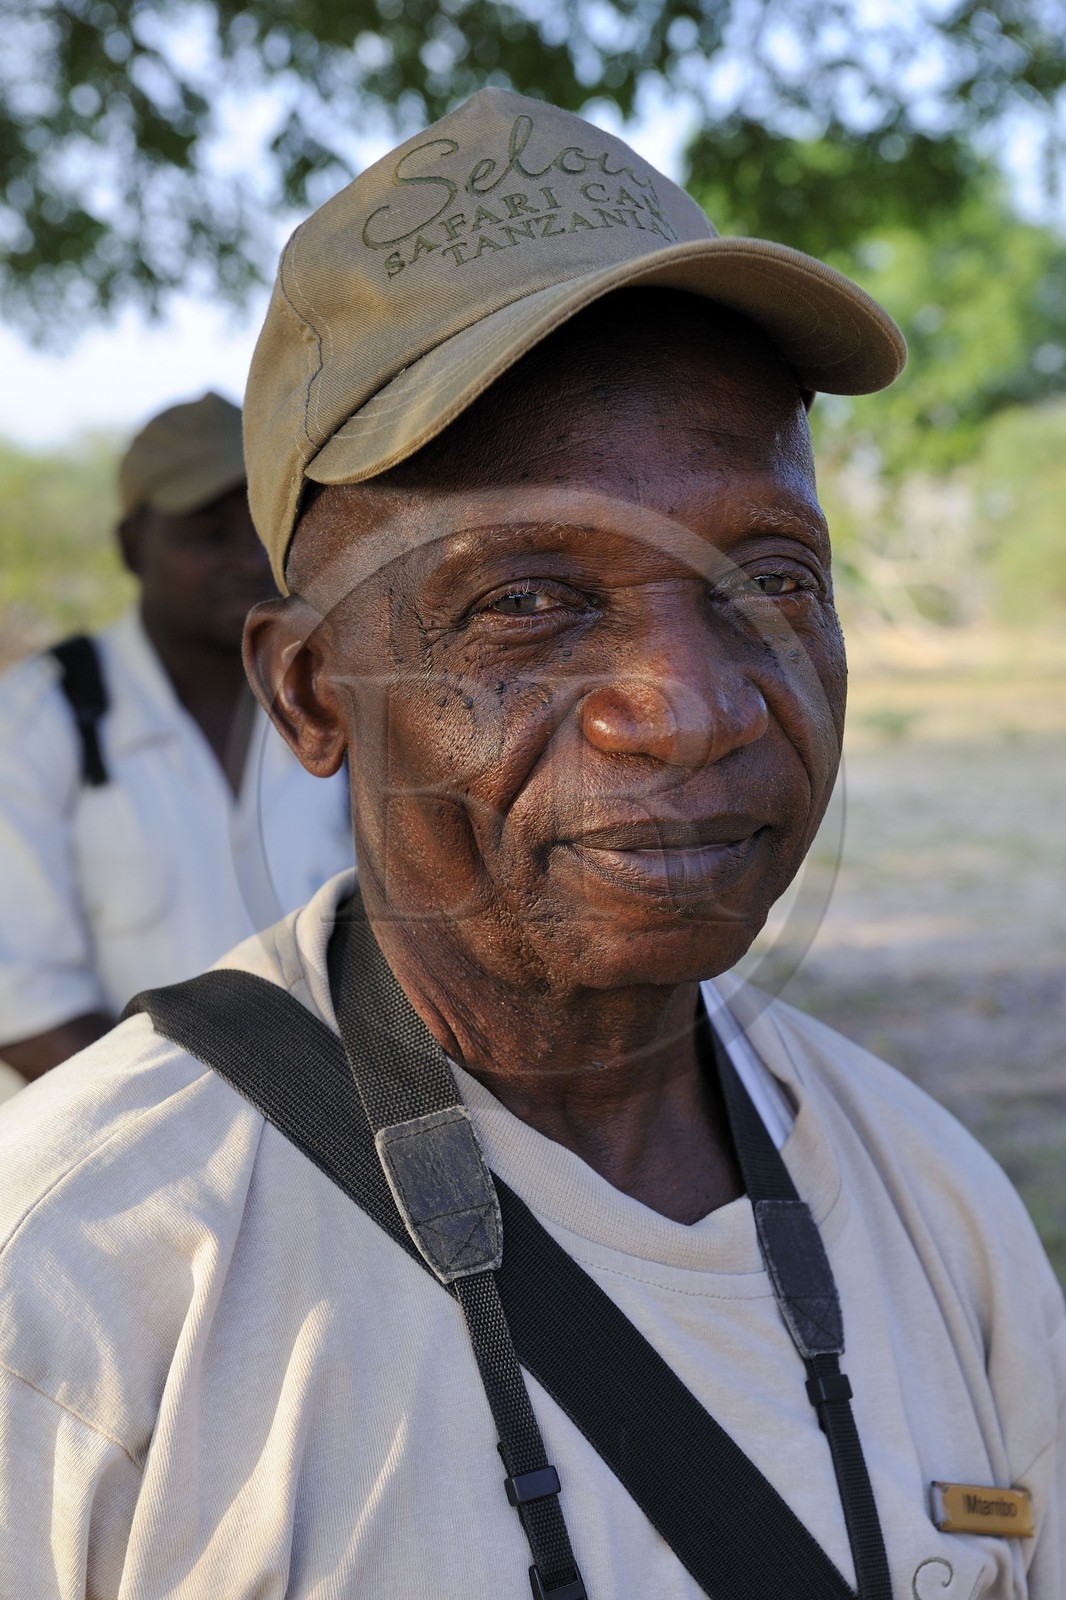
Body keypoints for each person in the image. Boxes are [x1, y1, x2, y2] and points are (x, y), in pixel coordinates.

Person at [0, 89, 1062, 1599]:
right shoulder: (80, 1287)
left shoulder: (932, 1210)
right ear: (312, 691)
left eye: (765, 578)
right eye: (526, 601)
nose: (688, 709)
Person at [0, 392, 353, 1084]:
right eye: (208, 533)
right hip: (120, 1162)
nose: (248, 560)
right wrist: (215, 1128)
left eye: (260, 527)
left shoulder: (337, 699)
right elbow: (25, 1002)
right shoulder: (33, 718)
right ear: (133, 546)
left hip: (348, 1146)